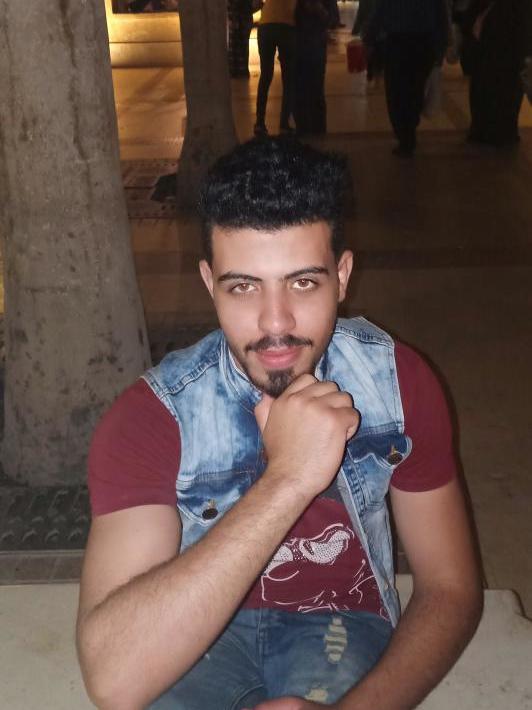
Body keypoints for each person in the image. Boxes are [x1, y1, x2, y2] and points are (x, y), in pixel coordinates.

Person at [77, 137, 483, 710]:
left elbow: (450, 588)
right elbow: (114, 678)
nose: (275, 323)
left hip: (343, 620)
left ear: (343, 275)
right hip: (192, 617)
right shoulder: (153, 417)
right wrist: (288, 477)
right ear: (208, 282)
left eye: (303, 282)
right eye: (243, 286)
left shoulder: (396, 383)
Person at [366, 0, 449, 156]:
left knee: (397, 92)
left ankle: (405, 134)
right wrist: (442, 43)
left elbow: (379, 11)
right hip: (423, 44)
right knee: (415, 89)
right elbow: (441, 14)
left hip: (398, 44)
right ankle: (409, 130)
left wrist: (369, 38)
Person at [464, 0, 529, 146]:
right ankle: (495, 132)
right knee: (496, 94)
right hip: (497, 54)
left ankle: (491, 132)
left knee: (494, 94)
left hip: (500, 54)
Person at [254, 0, 297, 135]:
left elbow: (256, 4)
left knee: (266, 76)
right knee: (288, 78)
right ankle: (284, 124)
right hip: (286, 26)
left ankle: (259, 123)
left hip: (265, 26)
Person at [294, 0, 333, 135]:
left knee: (311, 89)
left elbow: (329, 18)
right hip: (308, 47)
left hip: (310, 47)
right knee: (309, 89)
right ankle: (311, 127)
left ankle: (312, 127)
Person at [228, 0, 254, 79]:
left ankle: (234, 71)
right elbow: (257, 4)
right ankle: (241, 72)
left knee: (234, 46)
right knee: (242, 46)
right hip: (243, 18)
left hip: (236, 17)